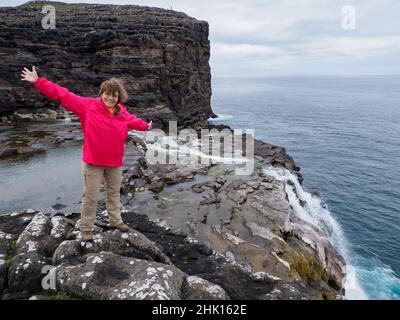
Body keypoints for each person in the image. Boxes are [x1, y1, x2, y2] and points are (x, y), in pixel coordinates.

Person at [21, 66, 152, 241]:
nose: (110, 98)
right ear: (101, 93)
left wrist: (146, 126)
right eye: (107, 93)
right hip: (93, 162)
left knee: (114, 193)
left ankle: (116, 220)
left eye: (114, 95)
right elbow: (63, 95)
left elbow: (134, 121)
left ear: (119, 98)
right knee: (91, 197)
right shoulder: (87, 106)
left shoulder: (122, 113)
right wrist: (39, 82)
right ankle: (86, 229)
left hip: (115, 162)